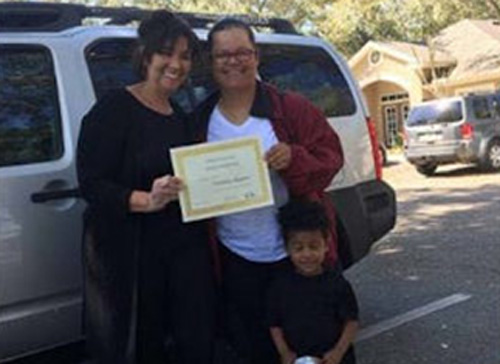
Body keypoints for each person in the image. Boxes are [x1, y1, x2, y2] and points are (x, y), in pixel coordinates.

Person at [194, 18, 344, 364]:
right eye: (223, 55)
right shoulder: (200, 121)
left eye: (242, 52)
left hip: (293, 255)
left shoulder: (290, 109)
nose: (234, 61)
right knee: (255, 348)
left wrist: (295, 157)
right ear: (211, 62)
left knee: (312, 345)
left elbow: (332, 158)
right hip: (235, 257)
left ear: (256, 56)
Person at [76, 10, 215, 364]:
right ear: (146, 56)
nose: (176, 64)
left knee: (184, 342)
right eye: (166, 53)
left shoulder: (180, 117)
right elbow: (91, 184)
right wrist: (145, 199)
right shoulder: (113, 110)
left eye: (185, 56)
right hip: (129, 257)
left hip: (177, 255)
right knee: (138, 346)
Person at [269, 200, 359, 364]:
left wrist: (338, 352)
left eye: (314, 246)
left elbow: (351, 321)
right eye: (298, 248)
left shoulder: (336, 283)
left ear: (326, 245)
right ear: (287, 249)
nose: (307, 254)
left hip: (333, 358)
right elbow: (275, 324)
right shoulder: (281, 285)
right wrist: (285, 352)